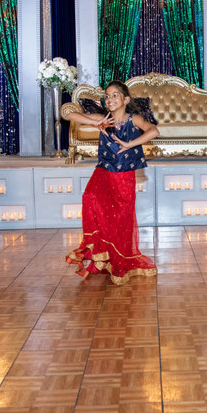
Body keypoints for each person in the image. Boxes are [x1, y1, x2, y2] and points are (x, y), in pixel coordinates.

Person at [65, 80, 159, 285]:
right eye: (107, 96)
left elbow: (153, 131)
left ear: (125, 100)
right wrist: (94, 123)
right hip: (103, 172)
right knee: (89, 198)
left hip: (123, 177)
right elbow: (69, 114)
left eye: (115, 95)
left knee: (119, 219)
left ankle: (118, 260)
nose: (110, 99)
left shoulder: (133, 119)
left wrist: (130, 144)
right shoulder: (103, 118)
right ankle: (99, 253)